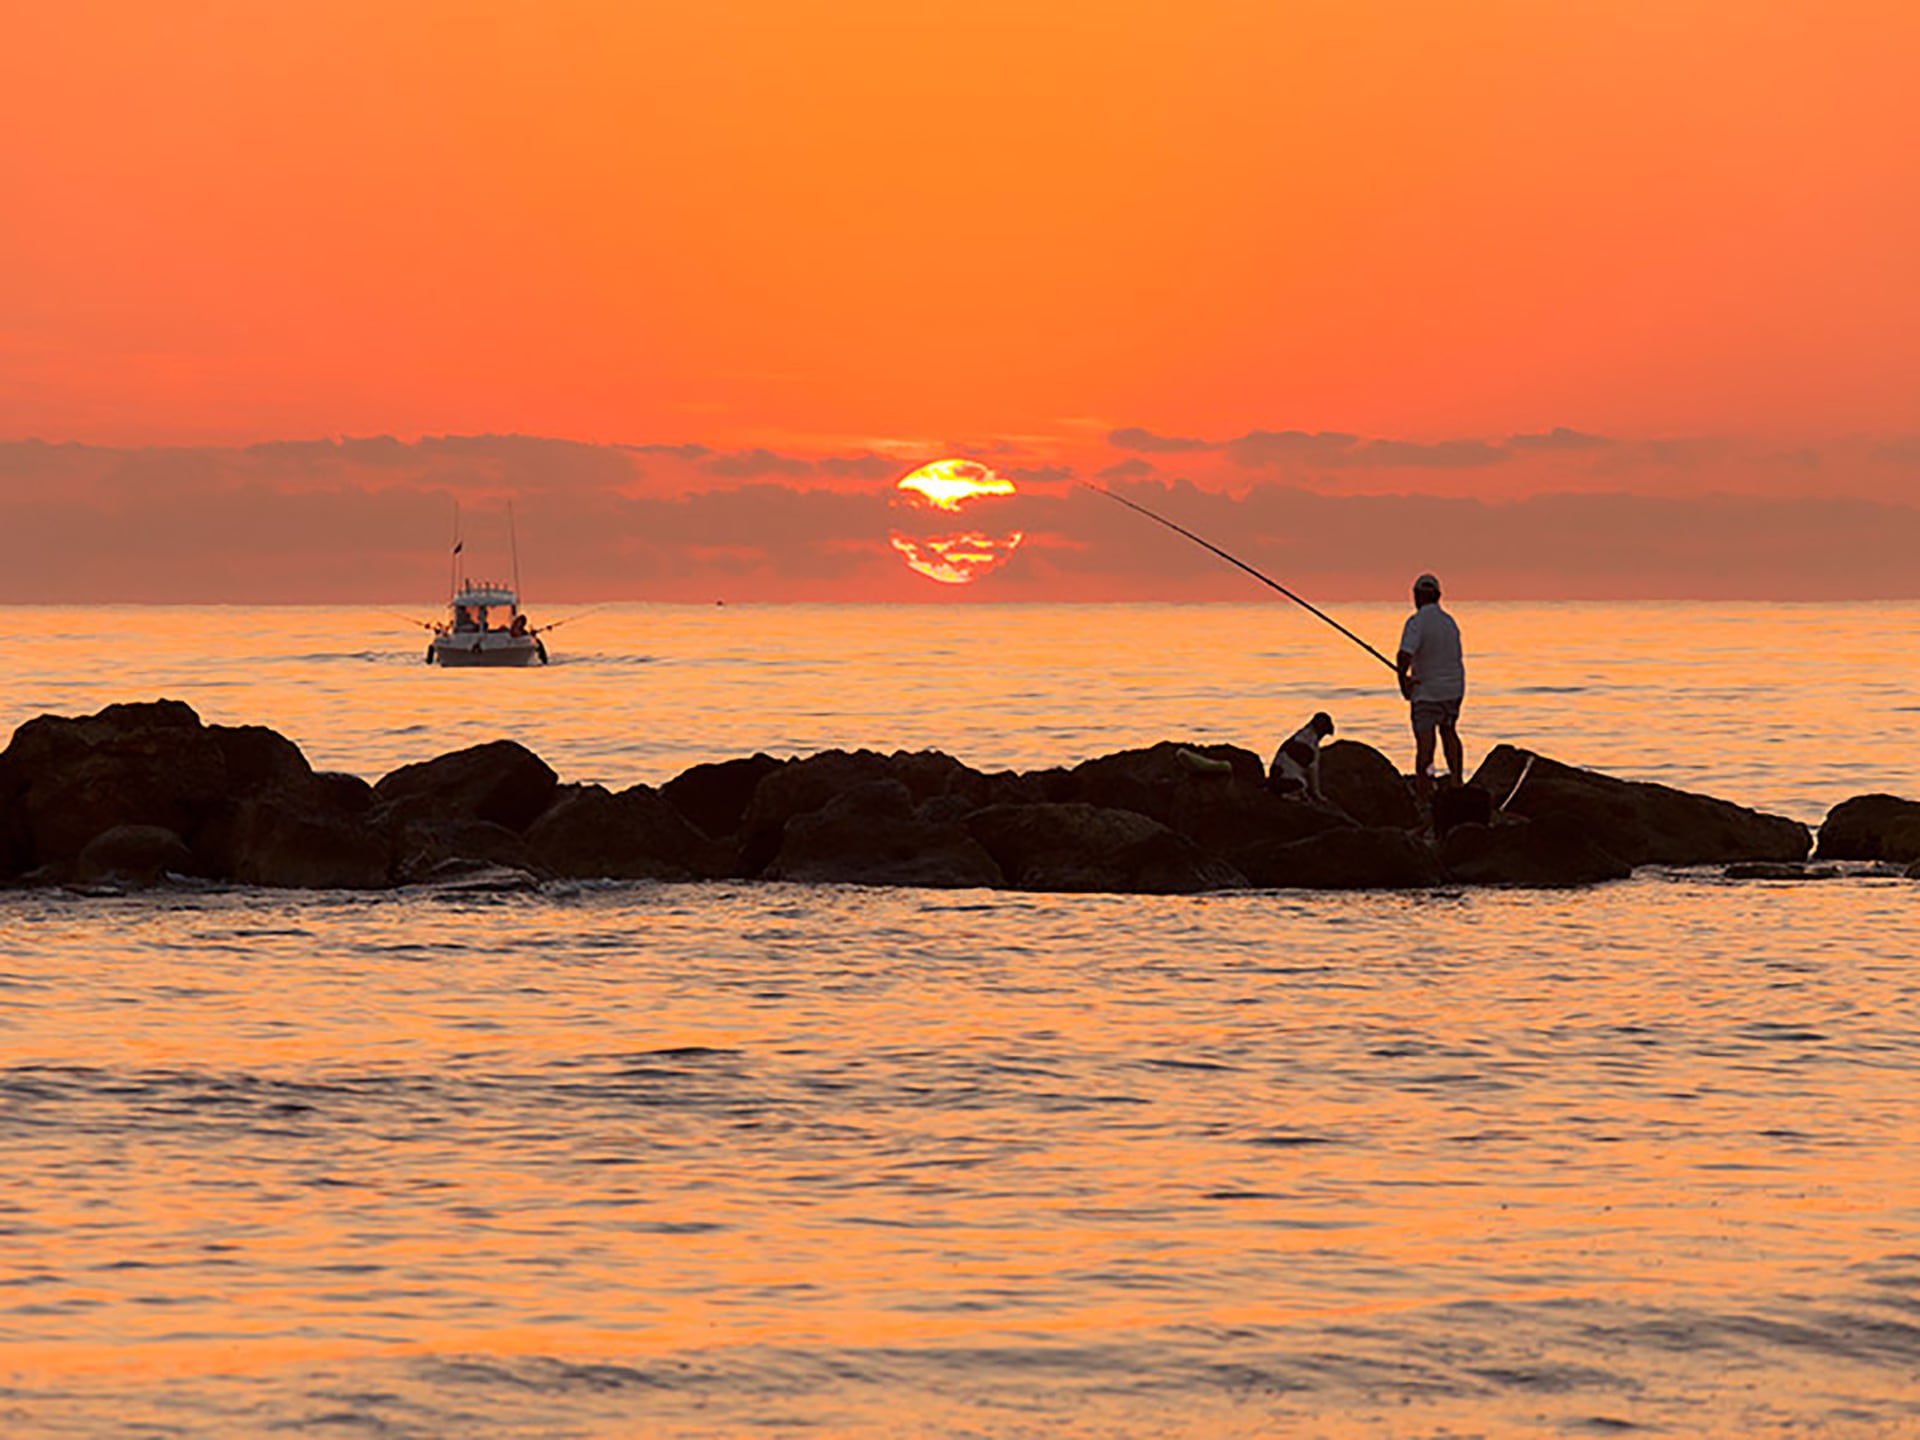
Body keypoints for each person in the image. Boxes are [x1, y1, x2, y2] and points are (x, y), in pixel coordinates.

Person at [1396, 573, 1465, 806]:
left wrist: (1404, 683)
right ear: (1438, 596)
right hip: (1454, 689)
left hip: (1427, 692)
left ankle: (1424, 795)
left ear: (1416, 596)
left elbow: (1404, 655)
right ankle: (1456, 782)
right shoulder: (1450, 622)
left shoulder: (1416, 622)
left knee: (1426, 744)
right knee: (1449, 732)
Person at [1269, 711, 1334, 801]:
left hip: (1277, 777)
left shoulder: (1300, 737)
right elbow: (1312, 771)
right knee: (1302, 784)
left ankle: (1288, 793)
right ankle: (1288, 795)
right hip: (1287, 780)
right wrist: (1317, 795)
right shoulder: (1309, 745)